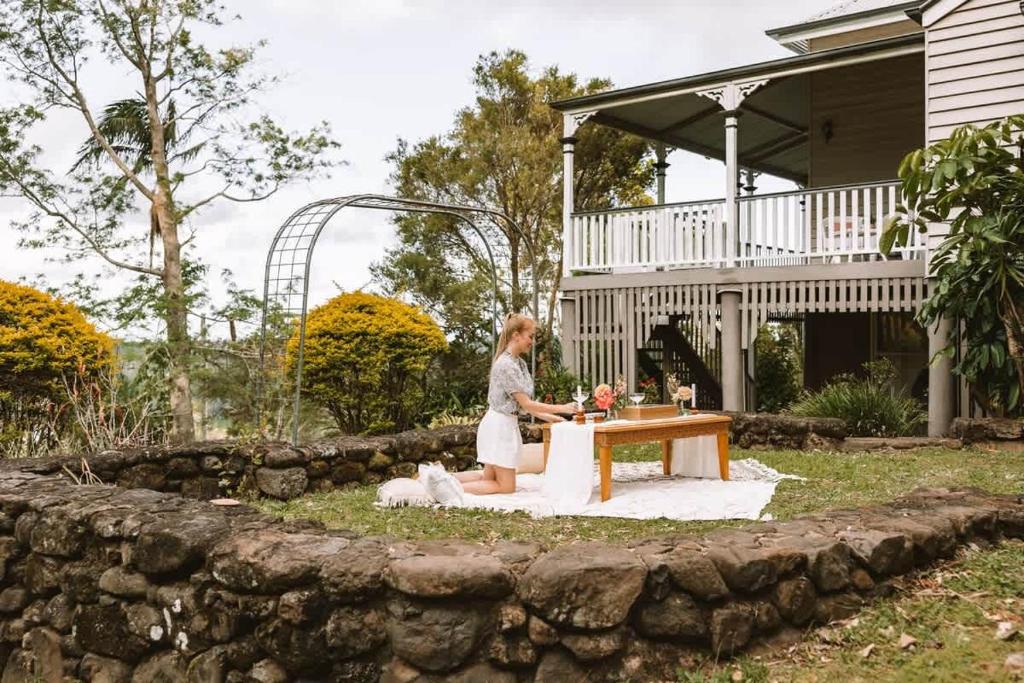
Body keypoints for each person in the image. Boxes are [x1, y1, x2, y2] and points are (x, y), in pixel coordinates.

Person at [454, 313, 576, 495]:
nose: (532, 341)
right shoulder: (506, 365)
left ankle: (441, 480)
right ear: (516, 335)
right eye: (530, 336)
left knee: (489, 480)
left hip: (502, 425)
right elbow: (526, 403)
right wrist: (562, 408)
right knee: (505, 487)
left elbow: (522, 405)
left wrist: (551, 418)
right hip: (499, 428)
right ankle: (446, 488)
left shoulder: (519, 363)